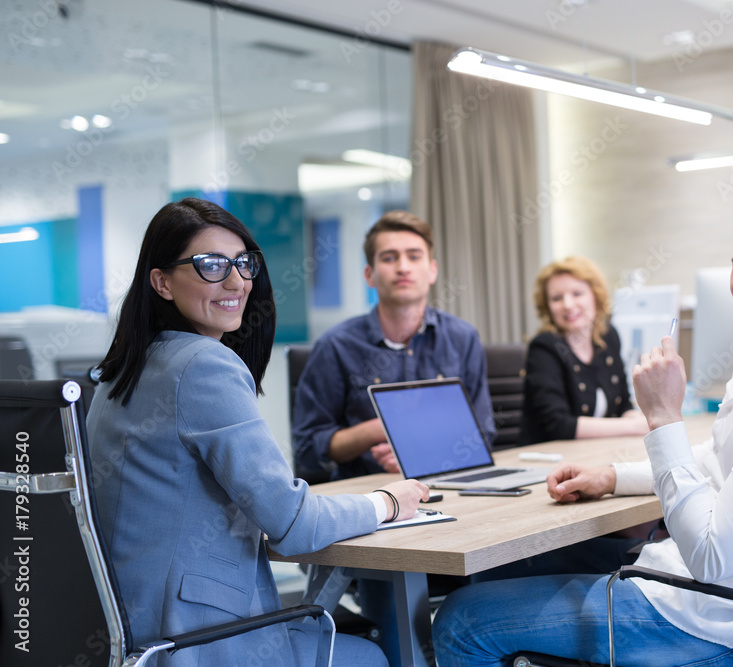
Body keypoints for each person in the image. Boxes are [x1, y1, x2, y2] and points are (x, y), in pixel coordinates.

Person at [432, 183, 733, 667]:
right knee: (507, 566)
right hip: (701, 590)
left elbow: (710, 558)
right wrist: (615, 477)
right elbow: (722, 458)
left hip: (719, 626)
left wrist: (663, 416)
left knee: (462, 621)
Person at [87, 198, 428, 667]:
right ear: (161, 282)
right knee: (370, 657)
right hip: (192, 638)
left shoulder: (122, 368)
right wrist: (388, 502)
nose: (236, 282)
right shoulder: (203, 365)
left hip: (128, 626)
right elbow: (294, 524)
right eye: (210, 265)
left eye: (242, 264)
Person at [293, 210, 495, 481]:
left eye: (414, 256)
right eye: (389, 258)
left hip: (449, 483)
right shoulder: (335, 346)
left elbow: (483, 433)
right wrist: (380, 429)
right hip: (366, 497)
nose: (403, 267)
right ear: (369, 274)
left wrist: (420, 452)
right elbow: (307, 449)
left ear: (432, 270)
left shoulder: (463, 337)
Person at [519, 256, 648, 445]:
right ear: (548, 308)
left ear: (595, 296)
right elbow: (558, 424)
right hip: (549, 460)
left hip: (595, 453)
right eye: (556, 298)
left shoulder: (608, 337)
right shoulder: (544, 347)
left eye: (577, 293)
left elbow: (623, 405)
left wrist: (636, 418)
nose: (568, 305)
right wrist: (633, 427)